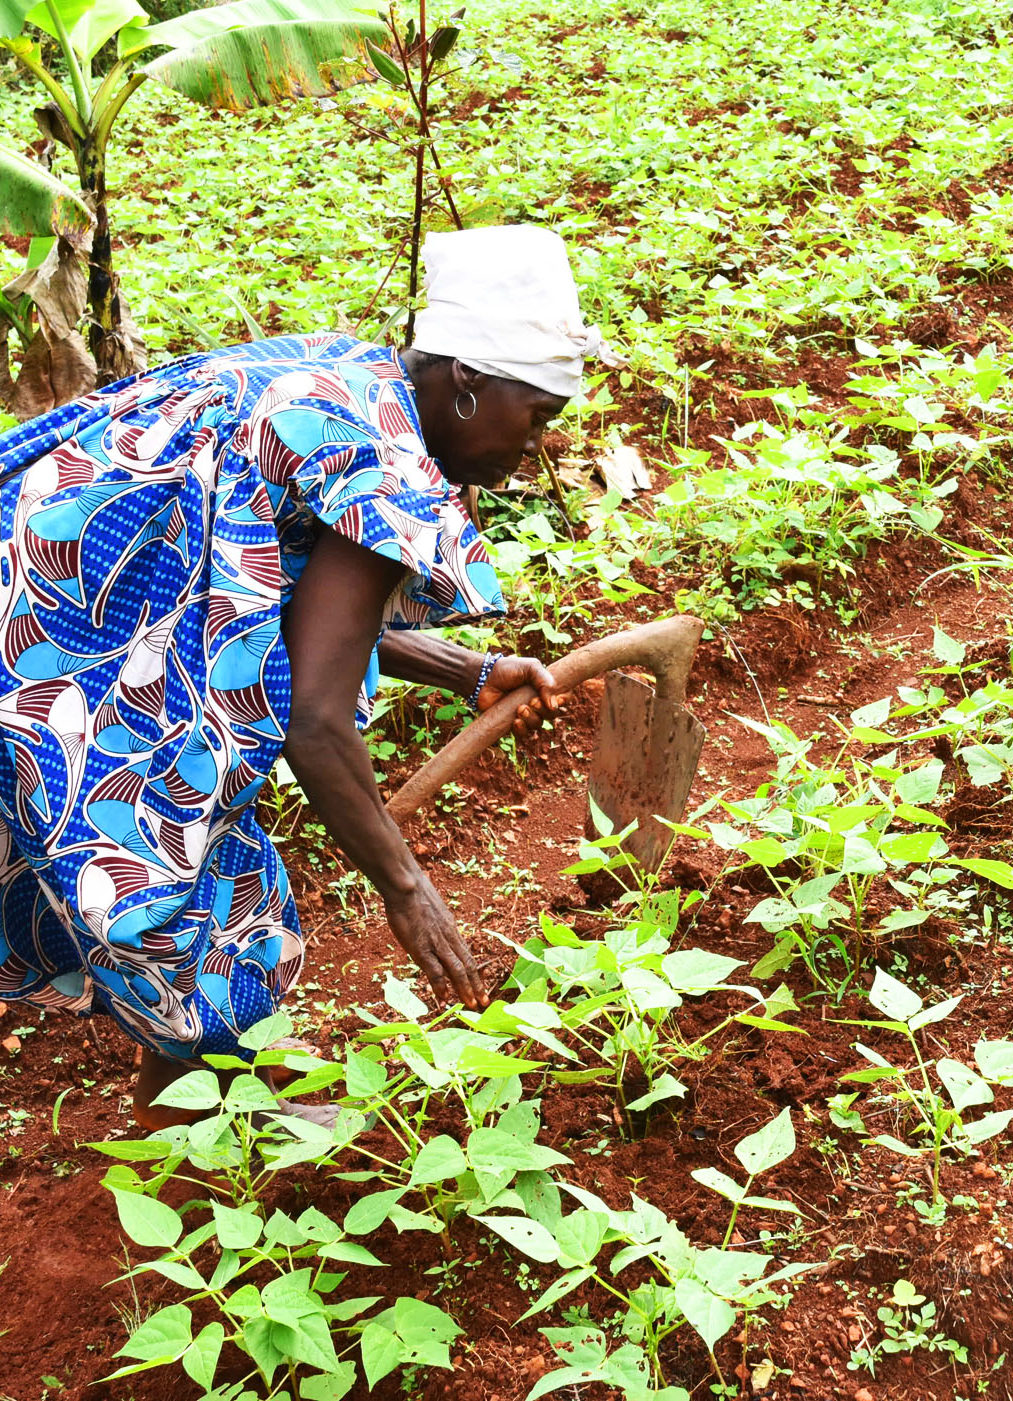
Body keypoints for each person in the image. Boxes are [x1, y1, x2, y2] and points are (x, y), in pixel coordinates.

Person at [0, 224, 599, 1127]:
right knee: (206, 900)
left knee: (202, 907)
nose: (539, 444)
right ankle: (208, 1150)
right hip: (58, 641)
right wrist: (408, 891)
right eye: (538, 413)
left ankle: (201, 1144)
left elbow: (271, 596)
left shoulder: (353, 379)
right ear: (470, 381)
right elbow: (316, 719)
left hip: (65, 615)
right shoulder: (376, 456)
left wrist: (468, 670)